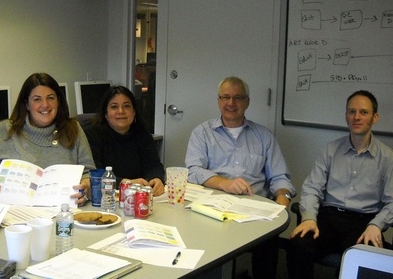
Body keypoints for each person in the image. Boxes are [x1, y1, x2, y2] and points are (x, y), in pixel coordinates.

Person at [185, 76, 295, 279]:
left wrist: (281, 204)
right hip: (215, 209)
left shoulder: (264, 136)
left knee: (268, 245)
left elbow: (280, 178)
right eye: (225, 97)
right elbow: (192, 170)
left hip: (255, 210)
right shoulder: (202, 133)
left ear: (247, 102)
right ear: (218, 101)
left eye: (238, 97)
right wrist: (224, 184)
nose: (231, 103)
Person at [287, 90, 393, 279]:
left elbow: (392, 201)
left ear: (375, 117)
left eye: (363, 112)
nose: (357, 117)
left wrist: (377, 225)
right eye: (352, 112)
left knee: (362, 256)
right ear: (346, 116)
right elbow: (312, 188)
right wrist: (309, 217)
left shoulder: (387, 158)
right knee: (298, 244)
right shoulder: (330, 150)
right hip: (329, 218)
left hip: (364, 222)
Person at [0, 73, 96, 205]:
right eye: (37, 99)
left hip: (63, 214)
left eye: (50, 98)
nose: (45, 105)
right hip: (10, 216)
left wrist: (86, 187)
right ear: (26, 104)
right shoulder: (4, 131)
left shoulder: (73, 129)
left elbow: (89, 173)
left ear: (59, 101)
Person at [83, 86, 165, 196]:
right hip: (106, 198)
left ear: (134, 111)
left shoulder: (142, 133)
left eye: (126, 106)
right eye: (114, 107)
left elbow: (154, 165)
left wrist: (156, 179)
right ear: (106, 114)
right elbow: (96, 174)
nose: (121, 111)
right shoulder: (91, 135)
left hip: (138, 197)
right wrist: (124, 183)